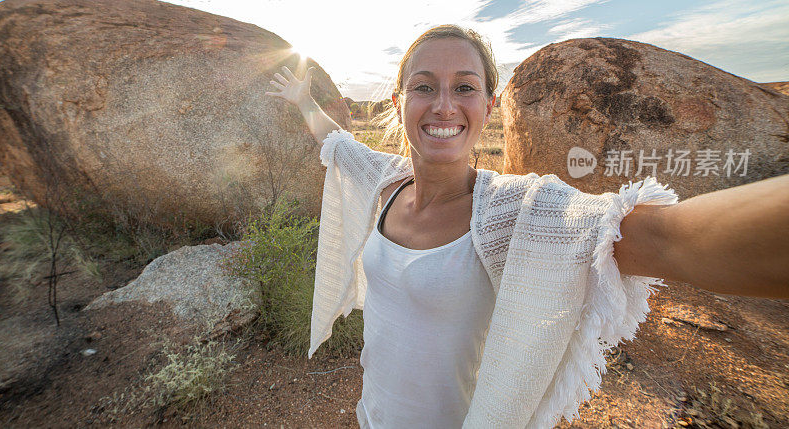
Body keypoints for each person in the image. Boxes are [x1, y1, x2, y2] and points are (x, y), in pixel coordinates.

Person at [266, 24, 789, 428]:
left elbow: (672, 240)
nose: (443, 104)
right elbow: (339, 146)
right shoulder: (387, 182)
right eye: (424, 87)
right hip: (374, 414)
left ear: (489, 106)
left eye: (464, 87)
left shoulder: (515, 214)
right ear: (399, 102)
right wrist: (303, 102)